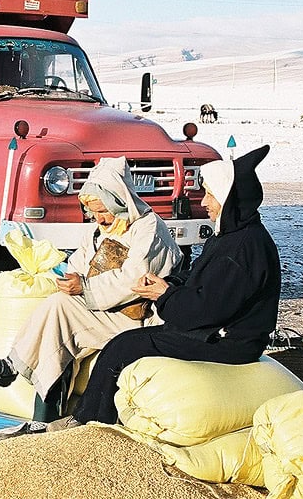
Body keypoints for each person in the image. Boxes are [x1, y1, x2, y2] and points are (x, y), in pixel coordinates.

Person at [48, 145, 281, 430]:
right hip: (215, 332)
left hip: (227, 342)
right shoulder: (232, 237)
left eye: (210, 194)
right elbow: (199, 281)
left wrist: (165, 295)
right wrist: (170, 284)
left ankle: (92, 424)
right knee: (122, 344)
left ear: (228, 198)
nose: (204, 202)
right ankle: (88, 418)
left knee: (124, 347)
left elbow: (206, 309)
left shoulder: (243, 249)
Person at [0, 156, 183, 421]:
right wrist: (69, 278)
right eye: (94, 212)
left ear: (119, 202)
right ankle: (42, 415)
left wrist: (84, 286)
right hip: (104, 310)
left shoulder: (148, 228)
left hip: (136, 318)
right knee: (57, 318)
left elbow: (136, 278)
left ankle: (15, 368)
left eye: (103, 211)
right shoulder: (99, 230)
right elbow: (80, 262)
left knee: (61, 309)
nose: (99, 218)